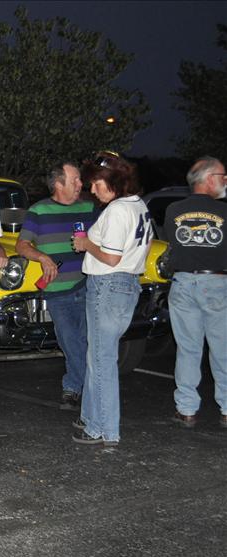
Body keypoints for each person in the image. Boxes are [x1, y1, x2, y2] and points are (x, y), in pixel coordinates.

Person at [72, 151, 152, 447]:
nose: (92, 190)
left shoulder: (118, 210)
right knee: (98, 356)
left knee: (102, 360)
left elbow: (111, 257)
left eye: (96, 184)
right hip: (127, 285)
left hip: (108, 286)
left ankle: (104, 430)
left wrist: (86, 244)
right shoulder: (138, 205)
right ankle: (91, 420)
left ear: (112, 181)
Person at [16, 162, 97, 410]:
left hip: (87, 286)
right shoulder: (39, 211)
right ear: (59, 184)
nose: (81, 184)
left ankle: (74, 388)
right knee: (70, 342)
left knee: (87, 341)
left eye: (80, 179)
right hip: (57, 291)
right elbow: (22, 245)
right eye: (75, 180)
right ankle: (86, 388)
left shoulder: (89, 208)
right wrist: (42, 257)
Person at [163, 156, 227, 430]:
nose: (225, 182)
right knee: (222, 348)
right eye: (223, 177)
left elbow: (171, 243)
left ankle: (187, 409)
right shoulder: (224, 212)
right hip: (216, 283)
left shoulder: (173, 210)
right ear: (209, 179)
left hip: (183, 282)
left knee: (188, 349)